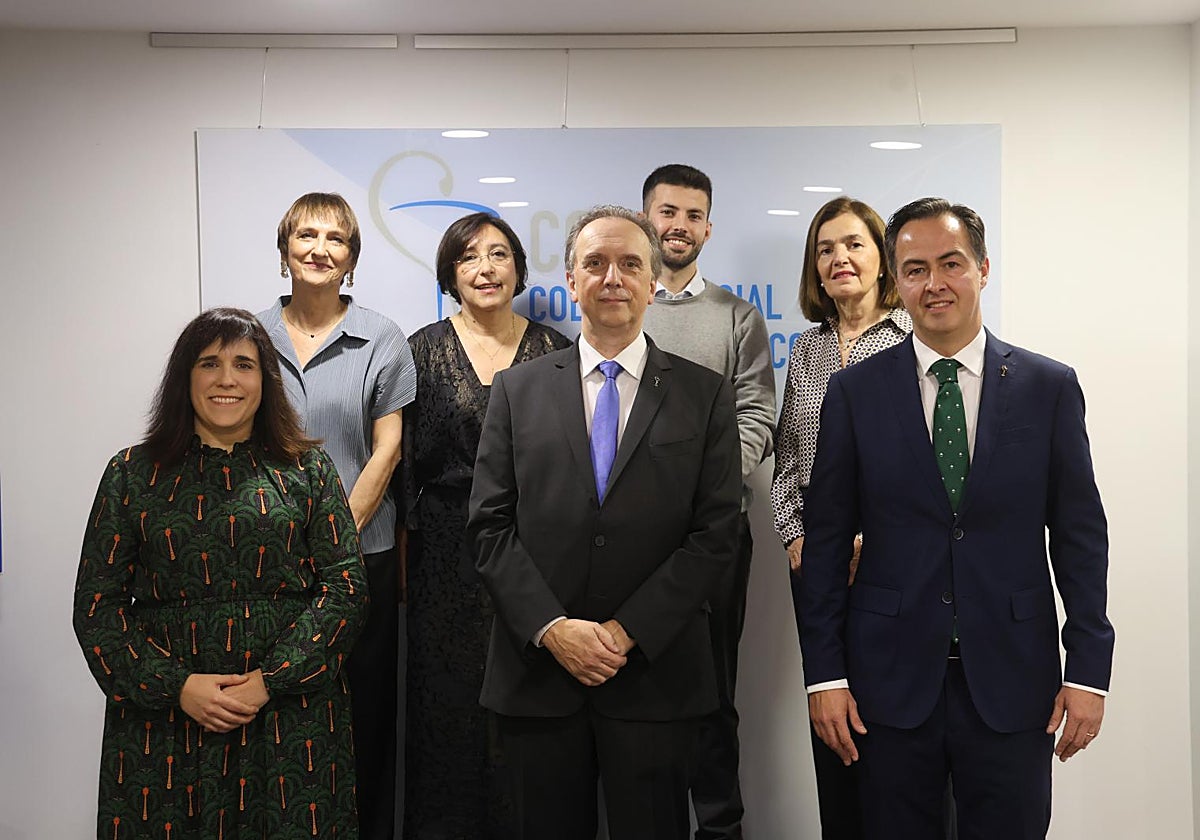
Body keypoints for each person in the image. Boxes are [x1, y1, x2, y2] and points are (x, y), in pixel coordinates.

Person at [795, 198, 1114, 840]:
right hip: (887, 682)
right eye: (915, 269)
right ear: (896, 279)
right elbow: (825, 541)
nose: (934, 283)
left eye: (951, 264)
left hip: (1013, 678)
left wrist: (1089, 670)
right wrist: (824, 674)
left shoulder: (1047, 387)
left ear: (983, 269)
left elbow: (1079, 536)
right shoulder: (854, 392)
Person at [467, 205, 742, 839]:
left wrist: (626, 631)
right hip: (540, 677)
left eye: (630, 264)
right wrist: (553, 628)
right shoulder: (516, 390)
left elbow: (716, 532)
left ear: (653, 283)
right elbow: (488, 526)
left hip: (655, 678)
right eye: (595, 263)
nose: (612, 277)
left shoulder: (704, 395)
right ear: (571, 280)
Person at [74, 307, 368, 838]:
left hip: (289, 719)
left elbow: (345, 588)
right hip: (164, 727)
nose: (226, 379)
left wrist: (272, 680)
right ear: (184, 378)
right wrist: (177, 687)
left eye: (243, 365)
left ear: (266, 380)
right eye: (209, 363)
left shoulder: (309, 469)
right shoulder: (130, 474)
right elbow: (97, 609)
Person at [402, 212, 570, 839]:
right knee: (445, 706)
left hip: (534, 552)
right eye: (469, 257)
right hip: (443, 557)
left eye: (499, 255)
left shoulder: (556, 350)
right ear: (451, 273)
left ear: (519, 270)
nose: (485, 268)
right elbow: (403, 464)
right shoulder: (421, 351)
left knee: (530, 701)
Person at [258, 193, 417, 840]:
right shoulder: (248, 338)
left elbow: (388, 450)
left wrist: (330, 542)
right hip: (266, 563)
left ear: (351, 259)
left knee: (363, 719)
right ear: (284, 250)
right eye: (306, 235)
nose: (320, 249)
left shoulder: (383, 339)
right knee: (277, 717)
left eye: (337, 239)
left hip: (360, 560)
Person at [639, 164, 775, 840]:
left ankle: (720, 829)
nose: (679, 226)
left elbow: (758, 417)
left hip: (717, 533)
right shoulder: (621, 304)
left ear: (709, 228)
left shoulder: (737, 317)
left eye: (693, 215)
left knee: (712, 692)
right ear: (646, 218)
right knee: (636, 695)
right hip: (631, 538)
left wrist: (705, 494)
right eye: (668, 212)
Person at [770, 196, 910, 839]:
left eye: (854, 244)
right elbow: (788, 462)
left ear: (883, 258)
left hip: (898, 570)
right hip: (817, 572)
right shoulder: (807, 349)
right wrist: (796, 538)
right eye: (825, 249)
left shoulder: (914, 340)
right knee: (832, 727)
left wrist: (868, 542)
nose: (839, 258)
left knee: (899, 735)